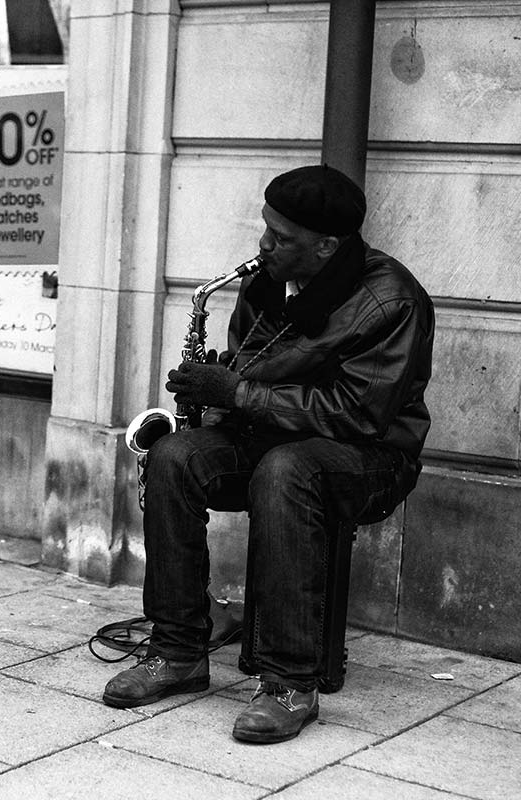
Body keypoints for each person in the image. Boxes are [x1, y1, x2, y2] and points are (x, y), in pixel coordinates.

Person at [101, 164, 435, 744]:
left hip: (373, 459)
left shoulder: (393, 301)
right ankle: (179, 650)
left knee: (287, 470)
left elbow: (357, 414)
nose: (264, 247)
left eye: (282, 239)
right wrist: (215, 385)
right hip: (275, 439)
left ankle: (288, 682)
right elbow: (251, 381)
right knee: (175, 457)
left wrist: (239, 393)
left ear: (327, 247)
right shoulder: (264, 284)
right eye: (266, 230)